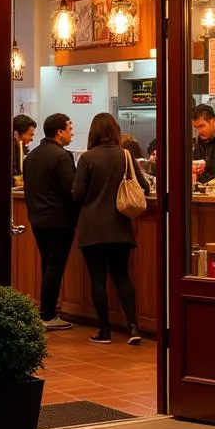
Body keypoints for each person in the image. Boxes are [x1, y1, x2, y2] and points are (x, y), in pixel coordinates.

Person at [72, 112, 150, 345]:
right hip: (120, 226)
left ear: (93, 132)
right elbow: (143, 186)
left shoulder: (87, 159)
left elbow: (77, 193)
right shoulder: (125, 155)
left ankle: (104, 331)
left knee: (98, 278)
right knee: (121, 276)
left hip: (92, 227)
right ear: (115, 131)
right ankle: (134, 327)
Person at [22, 113, 78, 331]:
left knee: (48, 264)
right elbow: (70, 190)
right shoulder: (61, 157)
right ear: (59, 132)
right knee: (55, 266)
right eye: (69, 128)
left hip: (37, 218)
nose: (71, 133)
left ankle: (46, 310)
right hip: (59, 220)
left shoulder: (32, 156)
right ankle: (47, 314)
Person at [12, 114, 37, 179]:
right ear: (16, 134)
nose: (31, 139)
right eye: (30, 135)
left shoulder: (22, 149)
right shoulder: (9, 152)